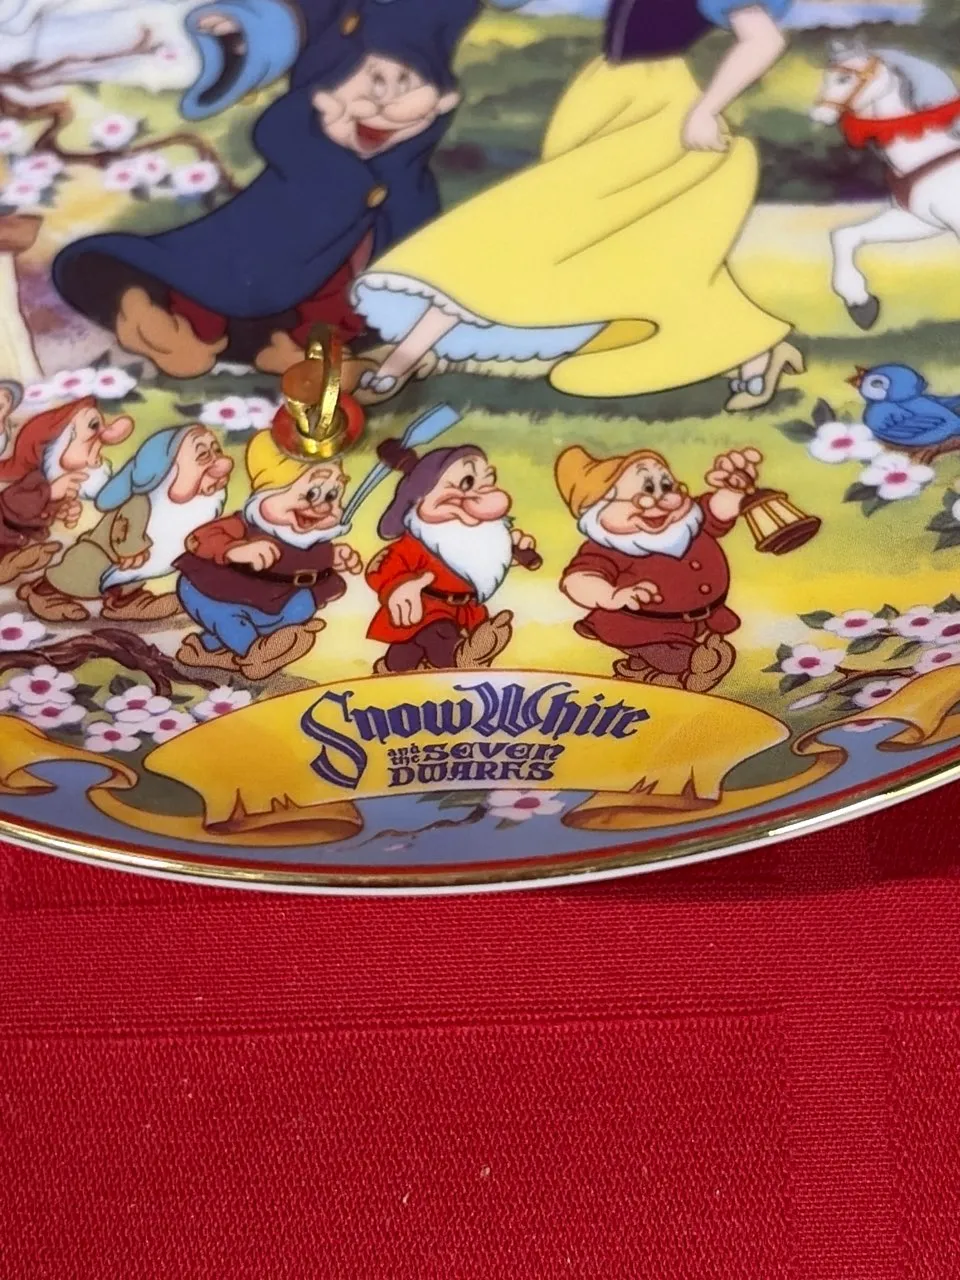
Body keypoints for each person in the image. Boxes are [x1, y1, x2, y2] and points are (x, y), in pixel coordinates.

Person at [354, 0, 803, 413]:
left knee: (528, 228)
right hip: (604, 97)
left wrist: (707, 109)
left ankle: (404, 357)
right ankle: (756, 349)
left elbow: (764, 39)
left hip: (657, 112)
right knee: (610, 243)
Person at [52, 0, 482, 380]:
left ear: (440, 98)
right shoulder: (306, 151)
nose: (377, 107)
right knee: (208, 283)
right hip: (250, 263)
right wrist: (254, 27)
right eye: (370, 83)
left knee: (333, 315)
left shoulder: (410, 184)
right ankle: (144, 305)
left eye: (403, 84)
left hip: (323, 303)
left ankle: (279, 349)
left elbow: (418, 256)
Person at [556, 443, 763, 690]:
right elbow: (579, 579)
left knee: (694, 653)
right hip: (642, 629)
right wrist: (612, 596)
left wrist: (733, 489)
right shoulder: (608, 547)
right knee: (680, 660)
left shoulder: (689, 522)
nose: (659, 502)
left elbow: (719, 510)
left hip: (701, 619)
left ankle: (640, 672)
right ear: (599, 509)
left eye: (666, 486)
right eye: (643, 493)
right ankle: (680, 679)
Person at [23, 425, 234, 624]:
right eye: (202, 454)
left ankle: (123, 603)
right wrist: (130, 549)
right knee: (81, 574)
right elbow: (125, 526)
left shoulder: (201, 506)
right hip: (105, 554)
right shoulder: (145, 500)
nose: (218, 461)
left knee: (132, 577)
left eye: (216, 450)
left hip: (134, 567)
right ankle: (44, 593)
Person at [365, 438, 537, 672]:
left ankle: (393, 669)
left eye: (488, 480)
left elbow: (478, 564)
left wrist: (508, 553)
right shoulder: (418, 542)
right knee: (439, 635)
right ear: (421, 498)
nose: (484, 496)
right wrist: (398, 588)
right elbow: (381, 566)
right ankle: (461, 658)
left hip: (464, 609)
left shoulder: (482, 536)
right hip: (426, 608)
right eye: (467, 482)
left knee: (405, 655)